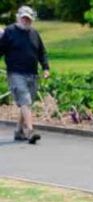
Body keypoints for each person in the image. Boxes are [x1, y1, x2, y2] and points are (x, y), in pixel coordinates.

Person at [0, 5, 50, 144]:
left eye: (28, 19)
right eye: (23, 18)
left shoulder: (34, 33)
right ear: (18, 18)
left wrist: (45, 68)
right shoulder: (9, 32)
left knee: (26, 104)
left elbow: (42, 52)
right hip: (15, 73)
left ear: (32, 20)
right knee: (25, 100)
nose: (25, 21)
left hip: (32, 73)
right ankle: (30, 131)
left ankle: (19, 131)